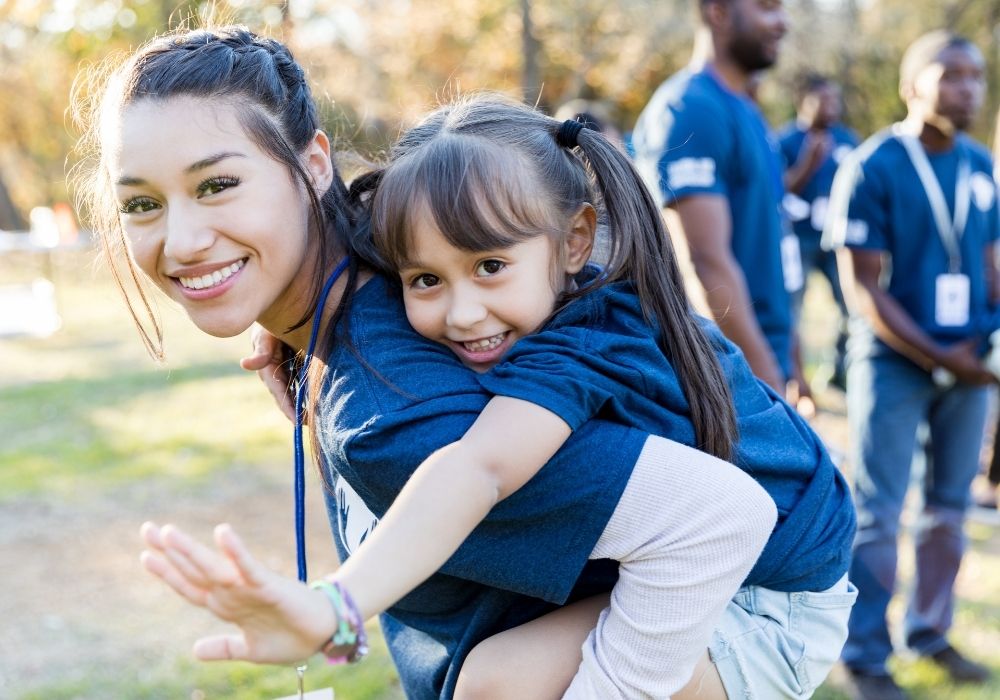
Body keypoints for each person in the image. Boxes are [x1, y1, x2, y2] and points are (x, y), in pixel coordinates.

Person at [75, 26, 846, 700]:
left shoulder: (395, 409)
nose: (180, 241)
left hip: (765, 584)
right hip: (768, 533)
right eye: (141, 202)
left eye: (218, 184)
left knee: (494, 686)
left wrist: (336, 608)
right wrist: (286, 334)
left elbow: (711, 516)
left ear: (314, 165)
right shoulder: (413, 238)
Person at [824, 30, 998, 700]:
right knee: (878, 510)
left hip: (970, 360)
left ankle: (929, 631)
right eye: (951, 74)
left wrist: (985, 342)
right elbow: (862, 288)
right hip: (894, 361)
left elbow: (990, 265)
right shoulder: (872, 165)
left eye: (977, 76)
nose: (968, 88)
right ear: (912, 84)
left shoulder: (980, 164)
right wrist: (937, 353)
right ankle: (864, 654)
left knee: (950, 509)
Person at [632, 0, 798, 396]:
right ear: (718, 13)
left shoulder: (744, 108)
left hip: (762, 359)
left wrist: (789, 359)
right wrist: (765, 383)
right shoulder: (692, 108)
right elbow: (704, 261)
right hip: (728, 376)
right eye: (767, 8)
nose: (783, 22)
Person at [778, 75, 859, 396]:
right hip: (799, 239)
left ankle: (838, 369)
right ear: (803, 102)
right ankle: (792, 375)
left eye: (834, 100)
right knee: (793, 306)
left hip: (838, 239)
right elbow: (779, 191)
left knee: (851, 304)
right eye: (822, 100)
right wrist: (808, 164)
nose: (831, 107)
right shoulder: (785, 141)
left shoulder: (847, 140)